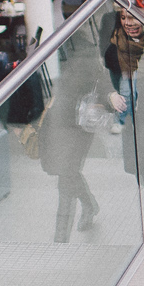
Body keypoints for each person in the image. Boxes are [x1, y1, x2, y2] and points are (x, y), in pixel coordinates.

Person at [39, 49, 106, 240]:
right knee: (67, 172)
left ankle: (61, 240)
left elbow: (106, 86)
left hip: (80, 125)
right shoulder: (67, 46)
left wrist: (104, 100)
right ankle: (90, 205)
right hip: (60, 120)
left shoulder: (85, 50)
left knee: (66, 177)